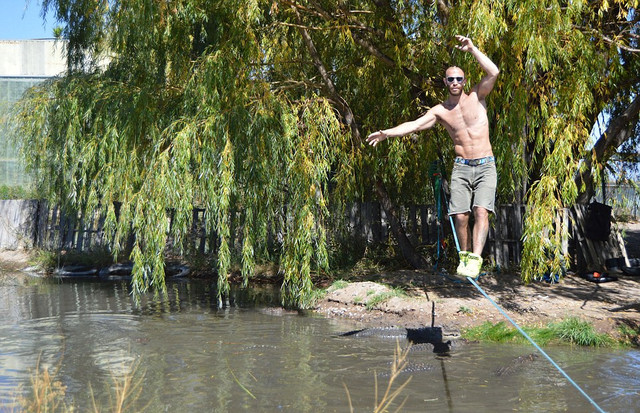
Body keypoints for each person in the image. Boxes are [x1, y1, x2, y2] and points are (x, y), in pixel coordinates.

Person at [366, 35, 499, 280]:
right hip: (461, 166)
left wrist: (472, 49)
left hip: (485, 165)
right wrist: (387, 133)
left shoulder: (477, 96)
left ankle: (475, 261)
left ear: (464, 80)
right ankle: (465, 257)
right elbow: (415, 125)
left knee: (481, 211)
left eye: (459, 78)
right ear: (445, 82)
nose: (456, 82)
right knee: (460, 216)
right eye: (451, 79)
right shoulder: (441, 111)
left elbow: (493, 71)